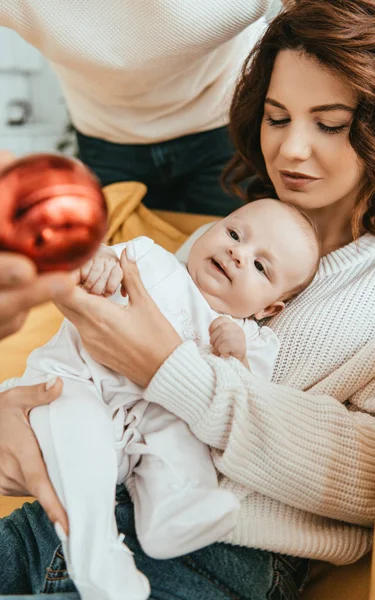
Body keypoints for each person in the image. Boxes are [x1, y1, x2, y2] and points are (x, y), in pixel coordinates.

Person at [0, 0, 375, 598]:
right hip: (65, 517)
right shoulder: (230, 233)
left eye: (330, 123)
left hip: (213, 557)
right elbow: (95, 355)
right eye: (276, 117)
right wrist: (23, 411)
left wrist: (172, 371)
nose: (290, 150)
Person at [2, 198, 320, 600]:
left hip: (146, 425)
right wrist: (99, 261)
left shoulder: (253, 339)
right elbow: (92, 265)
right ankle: (93, 549)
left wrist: (236, 356)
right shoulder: (150, 260)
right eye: (234, 234)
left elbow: (243, 399)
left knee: (179, 440)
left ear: (269, 308)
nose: (237, 254)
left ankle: (172, 513)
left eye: (260, 266)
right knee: (80, 430)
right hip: (74, 385)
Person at [0, 1, 283, 216]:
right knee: (118, 277)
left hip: (224, 124)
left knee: (234, 275)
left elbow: (312, 23)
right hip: (106, 140)